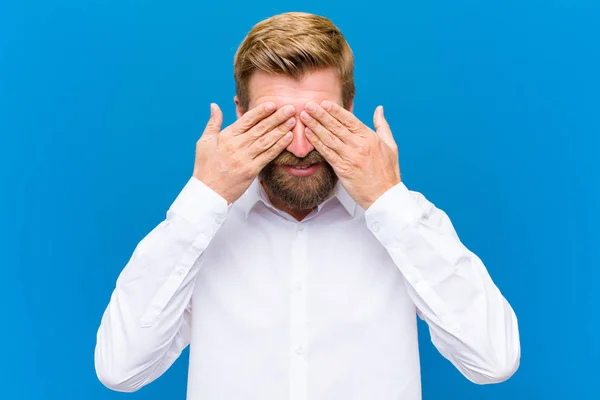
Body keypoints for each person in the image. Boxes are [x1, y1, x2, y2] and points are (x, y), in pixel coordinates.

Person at [94, 11, 520, 400]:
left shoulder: (407, 221)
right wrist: (205, 195)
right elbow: (121, 371)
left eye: (320, 120)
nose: (299, 146)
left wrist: (388, 200)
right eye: (274, 121)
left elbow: (493, 362)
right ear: (239, 114)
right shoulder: (200, 227)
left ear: (350, 110)